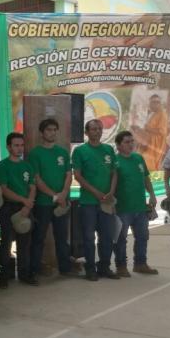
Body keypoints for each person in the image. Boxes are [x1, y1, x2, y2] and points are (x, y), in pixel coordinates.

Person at [72, 119, 119, 281]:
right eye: (94, 129)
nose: (98, 131)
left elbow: (114, 173)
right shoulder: (80, 151)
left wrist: (111, 191)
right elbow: (78, 176)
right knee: (89, 237)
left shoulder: (108, 149)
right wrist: (96, 193)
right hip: (88, 202)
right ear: (86, 132)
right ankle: (90, 269)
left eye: (100, 128)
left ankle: (104, 267)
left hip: (106, 201)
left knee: (107, 236)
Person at [28, 118, 74, 278]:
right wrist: (54, 196)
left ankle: (65, 269)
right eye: (48, 130)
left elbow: (69, 174)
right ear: (42, 133)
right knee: (38, 237)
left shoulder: (62, 152)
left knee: (62, 238)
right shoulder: (35, 153)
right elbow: (36, 179)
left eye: (54, 130)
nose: (52, 132)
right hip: (43, 203)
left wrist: (63, 194)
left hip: (62, 202)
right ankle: (33, 270)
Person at [0, 132, 36, 288]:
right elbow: (4, 189)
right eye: (16, 145)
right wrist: (23, 200)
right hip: (8, 208)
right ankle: (4, 276)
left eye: (22, 145)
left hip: (25, 208)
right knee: (6, 243)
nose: (20, 148)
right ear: (8, 147)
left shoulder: (27, 166)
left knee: (24, 243)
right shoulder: (2, 166)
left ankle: (24, 274)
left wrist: (28, 204)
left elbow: (32, 187)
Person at [114, 130, 158, 276]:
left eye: (132, 141)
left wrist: (152, 195)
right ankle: (121, 266)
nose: (131, 144)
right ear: (118, 145)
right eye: (127, 142)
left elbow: (146, 178)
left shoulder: (138, 158)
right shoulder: (115, 162)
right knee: (121, 239)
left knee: (143, 236)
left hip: (140, 207)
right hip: (122, 208)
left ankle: (140, 264)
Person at [132, 93, 168, 171]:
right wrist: (139, 129)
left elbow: (162, 132)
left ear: (158, 104)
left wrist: (147, 128)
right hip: (147, 145)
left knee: (147, 167)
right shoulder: (154, 114)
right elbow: (148, 130)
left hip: (154, 148)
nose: (150, 106)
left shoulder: (162, 115)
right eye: (150, 103)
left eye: (152, 103)